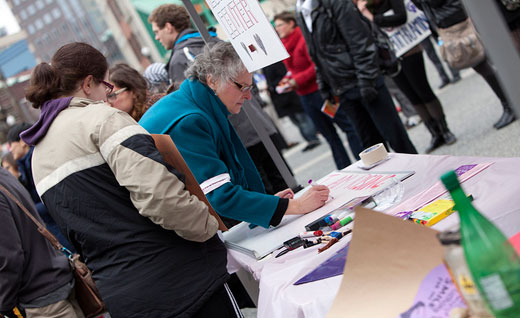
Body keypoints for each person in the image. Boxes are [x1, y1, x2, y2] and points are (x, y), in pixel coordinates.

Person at [22, 42, 239, 318]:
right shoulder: (102, 119)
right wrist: (209, 226)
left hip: (123, 295)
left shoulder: (37, 154)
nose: (108, 95)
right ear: (88, 83)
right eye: (106, 86)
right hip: (181, 278)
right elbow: (160, 197)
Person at [140, 41, 330, 228]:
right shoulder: (189, 120)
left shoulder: (197, 104)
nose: (248, 96)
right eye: (242, 87)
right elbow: (220, 196)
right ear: (212, 81)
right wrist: (295, 205)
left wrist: (270, 205)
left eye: (250, 88)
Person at [296, 0, 417, 155]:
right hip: (343, 89)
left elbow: (361, 43)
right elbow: (317, 54)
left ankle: (420, 177)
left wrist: (367, 81)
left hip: (365, 82)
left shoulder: (335, 3)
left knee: (397, 140)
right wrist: (324, 84)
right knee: (371, 150)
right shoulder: (301, 9)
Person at [357, 0, 457, 153]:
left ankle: (445, 130)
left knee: (423, 90)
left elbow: (401, 17)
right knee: (411, 96)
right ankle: (434, 133)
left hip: (409, 48)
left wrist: (372, 17)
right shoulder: (360, 7)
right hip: (389, 55)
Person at [274, 11, 364, 168]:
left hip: (321, 93)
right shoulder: (284, 46)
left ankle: (362, 160)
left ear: (291, 23)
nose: (278, 29)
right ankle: (344, 168)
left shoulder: (304, 40)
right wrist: (287, 80)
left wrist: (297, 80)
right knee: (329, 135)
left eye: (280, 25)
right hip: (305, 97)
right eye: (276, 26)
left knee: (347, 126)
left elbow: (316, 66)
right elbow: (293, 70)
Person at [412, 0, 517, 129]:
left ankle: (510, 103)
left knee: (482, 63)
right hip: (447, 22)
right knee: (482, 64)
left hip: (457, 19)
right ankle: (508, 101)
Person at [0, 168, 84, 318]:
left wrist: (4, 303)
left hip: (42, 299)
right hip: (52, 280)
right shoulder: (3, 175)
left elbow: (10, 256)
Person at [7, 123, 74, 252]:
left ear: (22, 142)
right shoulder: (25, 165)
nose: (10, 149)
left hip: (62, 225)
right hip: (56, 225)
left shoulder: (35, 160)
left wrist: (29, 209)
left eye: (11, 145)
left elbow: (51, 197)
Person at [262, 61, 321, 152]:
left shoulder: (275, 63)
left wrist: (273, 87)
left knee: (302, 118)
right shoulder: (265, 66)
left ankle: (312, 138)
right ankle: (309, 139)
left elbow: (284, 77)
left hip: (289, 96)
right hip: (282, 98)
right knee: (296, 120)